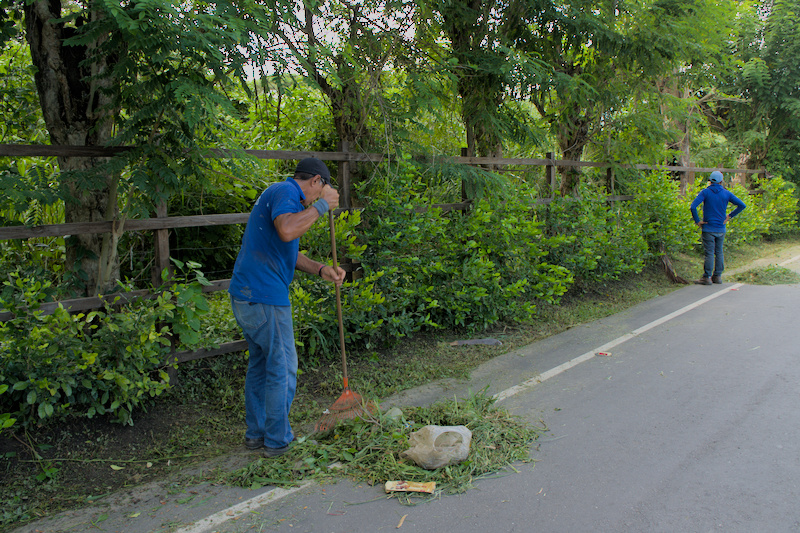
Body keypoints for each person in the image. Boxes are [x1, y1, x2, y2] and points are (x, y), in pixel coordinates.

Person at [228, 157, 346, 458]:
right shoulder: (286, 192)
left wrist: (321, 269)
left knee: (261, 365)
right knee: (283, 366)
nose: (319, 197)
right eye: (322, 190)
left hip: (247, 295)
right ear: (317, 181)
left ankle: (257, 435)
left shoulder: (283, 198)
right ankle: (277, 441)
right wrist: (321, 207)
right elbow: (287, 231)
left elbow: (286, 250)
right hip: (265, 296)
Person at [689, 170, 747, 285]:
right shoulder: (726, 193)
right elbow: (742, 205)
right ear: (721, 181)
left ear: (710, 180)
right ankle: (717, 276)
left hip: (708, 227)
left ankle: (707, 277)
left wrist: (697, 221)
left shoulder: (705, 192)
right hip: (721, 228)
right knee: (719, 251)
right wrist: (729, 216)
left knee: (709, 253)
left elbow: (693, 207)